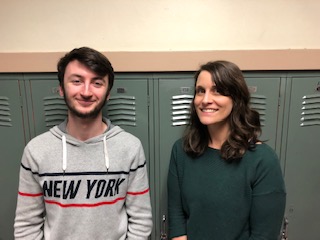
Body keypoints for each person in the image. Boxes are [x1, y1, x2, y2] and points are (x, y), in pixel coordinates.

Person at [14, 47, 153, 240]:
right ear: (62, 89)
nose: (86, 92)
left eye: (97, 83)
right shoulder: (36, 151)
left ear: (108, 93)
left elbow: (141, 221)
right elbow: (26, 226)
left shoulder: (130, 147)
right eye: (77, 81)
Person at [167, 60, 286, 240]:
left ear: (236, 99)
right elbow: (177, 220)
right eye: (200, 91)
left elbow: (264, 235)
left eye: (217, 91)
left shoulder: (262, 160)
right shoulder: (181, 151)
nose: (206, 100)